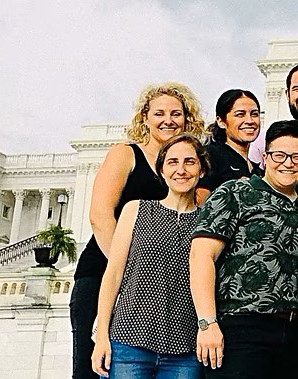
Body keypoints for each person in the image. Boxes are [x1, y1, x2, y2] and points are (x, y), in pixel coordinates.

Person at [72, 82, 204, 379]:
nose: (168, 120)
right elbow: (100, 216)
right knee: (91, 370)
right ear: (145, 117)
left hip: (152, 284)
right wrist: (132, 274)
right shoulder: (125, 154)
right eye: (159, 113)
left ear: (187, 119)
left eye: (176, 113)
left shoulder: (184, 166)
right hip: (103, 271)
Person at [190, 120, 298, 378]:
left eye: (297, 156)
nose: (288, 163)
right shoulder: (236, 192)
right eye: (280, 155)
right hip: (242, 328)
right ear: (266, 157)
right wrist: (207, 323)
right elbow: (202, 255)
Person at [92, 135, 209, 379]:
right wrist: (102, 335)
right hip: (129, 341)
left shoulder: (208, 220)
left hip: (185, 347)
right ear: (162, 171)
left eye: (189, 162)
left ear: (201, 169)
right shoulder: (136, 209)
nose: (181, 170)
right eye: (172, 162)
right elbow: (113, 274)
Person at [198, 89, 262, 204]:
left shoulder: (257, 170)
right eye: (240, 114)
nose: (249, 120)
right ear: (221, 121)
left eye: (254, 114)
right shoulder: (210, 156)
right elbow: (200, 206)